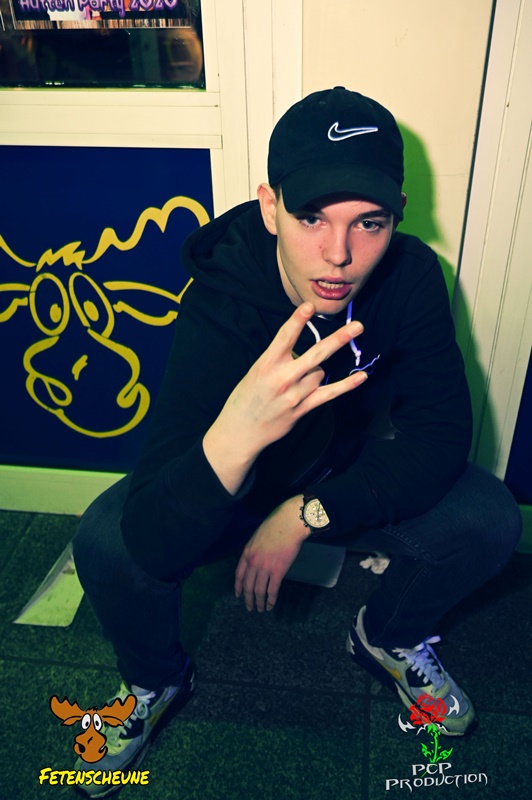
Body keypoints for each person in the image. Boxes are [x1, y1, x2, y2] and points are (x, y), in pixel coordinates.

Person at [73, 87, 522, 795]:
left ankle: (386, 635)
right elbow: (155, 541)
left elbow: (440, 437)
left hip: (338, 473)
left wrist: (308, 513)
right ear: (269, 206)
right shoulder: (222, 301)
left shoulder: (410, 278)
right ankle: (156, 679)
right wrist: (237, 435)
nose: (338, 255)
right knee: (108, 541)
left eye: (368, 223)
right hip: (239, 483)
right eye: (312, 217)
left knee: (489, 516)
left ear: (397, 216)